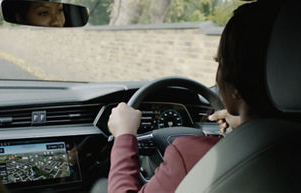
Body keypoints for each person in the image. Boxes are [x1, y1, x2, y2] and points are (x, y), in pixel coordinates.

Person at [107, 1, 284, 193]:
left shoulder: (189, 153)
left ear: (232, 84)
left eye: (220, 64)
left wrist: (124, 134)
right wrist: (243, 125)